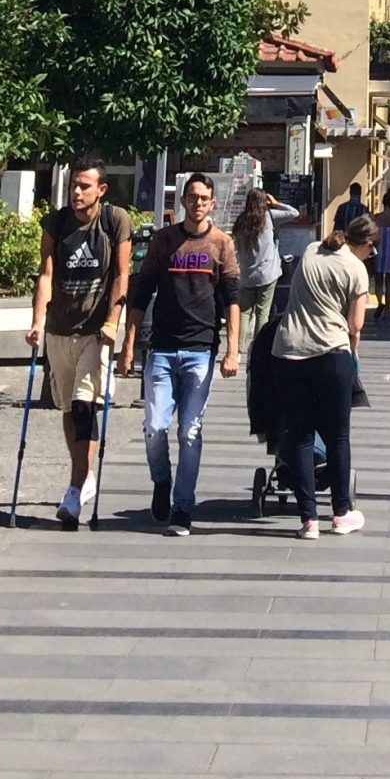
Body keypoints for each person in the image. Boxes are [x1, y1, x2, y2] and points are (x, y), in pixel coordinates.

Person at [122, 171, 241, 535]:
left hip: (201, 350)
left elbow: (233, 299)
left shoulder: (222, 244)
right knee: (155, 427)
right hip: (161, 348)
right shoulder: (164, 241)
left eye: (204, 198)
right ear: (183, 201)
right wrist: (128, 345)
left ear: (212, 203)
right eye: (192, 197)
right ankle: (162, 480)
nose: (198, 203)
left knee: (190, 431)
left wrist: (233, 349)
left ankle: (183, 507)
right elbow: (140, 295)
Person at [27, 159, 134, 529]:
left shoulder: (114, 221)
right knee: (69, 411)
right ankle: (83, 477)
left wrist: (112, 322)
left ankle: (74, 489)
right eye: (74, 185)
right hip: (60, 328)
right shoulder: (56, 223)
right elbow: (46, 273)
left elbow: (122, 274)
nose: (77, 192)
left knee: (84, 404)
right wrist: (37, 320)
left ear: (101, 190)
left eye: (85, 186)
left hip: (94, 330)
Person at [272, 208, 378, 536]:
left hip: (289, 351)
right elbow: (355, 325)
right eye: (372, 248)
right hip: (331, 354)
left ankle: (308, 520)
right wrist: (354, 352)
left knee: (301, 436)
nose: (371, 254)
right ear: (366, 243)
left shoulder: (311, 250)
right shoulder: (356, 269)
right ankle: (341, 513)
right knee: (338, 436)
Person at [230, 186, 297, 360]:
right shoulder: (270, 218)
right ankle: (259, 348)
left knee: (244, 312)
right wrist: (275, 203)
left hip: (246, 274)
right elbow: (293, 213)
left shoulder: (240, 221)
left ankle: (238, 349)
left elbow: (235, 246)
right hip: (267, 273)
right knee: (263, 312)